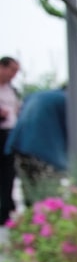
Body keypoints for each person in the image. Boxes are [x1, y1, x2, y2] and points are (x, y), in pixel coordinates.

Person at [5, 88, 70, 206]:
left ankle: (31, 219)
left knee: (29, 190)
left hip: (19, 146)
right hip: (43, 151)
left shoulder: (35, 95)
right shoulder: (66, 99)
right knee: (50, 195)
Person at [0, 56, 21, 225]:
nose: (14, 75)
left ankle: (6, 208)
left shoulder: (12, 89)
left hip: (10, 132)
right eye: (12, 70)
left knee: (8, 173)